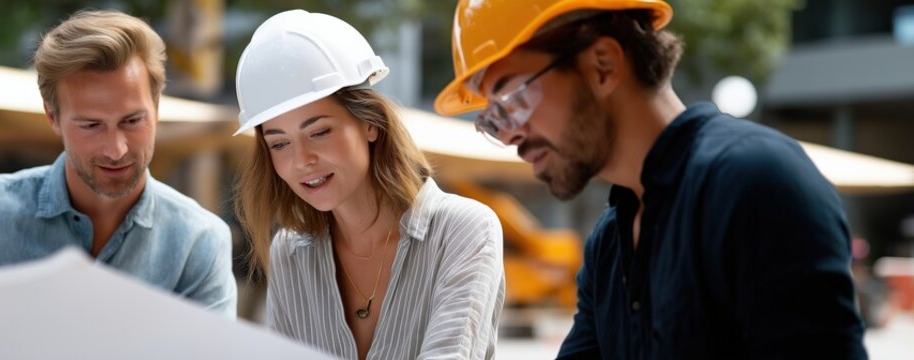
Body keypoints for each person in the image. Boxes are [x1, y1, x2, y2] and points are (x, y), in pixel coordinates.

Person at [436, 0, 868, 358]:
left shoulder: (756, 183)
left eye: (512, 100)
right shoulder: (609, 242)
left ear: (603, 64)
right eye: (492, 120)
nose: (508, 133)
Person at [0, 10, 236, 317]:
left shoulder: (199, 242)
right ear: (52, 117)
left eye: (132, 120)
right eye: (91, 126)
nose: (116, 149)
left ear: (157, 106)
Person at [233, 10, 505, 360]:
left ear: (370, 124)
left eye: (319, 132)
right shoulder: (290, 253)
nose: (301, 160)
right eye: (279, 143)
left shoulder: (462, 230)